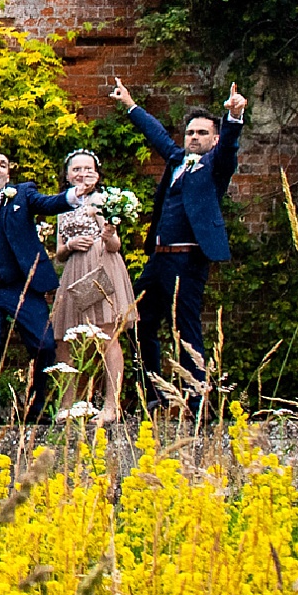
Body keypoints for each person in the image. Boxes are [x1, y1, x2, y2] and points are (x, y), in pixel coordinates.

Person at [112, 79, 247, 410]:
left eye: (202, 133)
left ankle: (197, 400)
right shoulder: (175, 160)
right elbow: (157, 135)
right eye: (190, 133)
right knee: (138, 322)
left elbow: (229, 149)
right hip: (159, 259)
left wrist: (234, 117)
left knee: (187, 329)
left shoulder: (215, 166)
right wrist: (131, 104)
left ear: (213, 139)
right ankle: (155, 392)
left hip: (189, 260)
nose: (194, 138)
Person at [0, 152, 77, 422]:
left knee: (44, 345)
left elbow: (50, 204)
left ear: (7, 177)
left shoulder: (22, 196)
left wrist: (73, 196)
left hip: (23, 286)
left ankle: (38, 406)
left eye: (3, 166)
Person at [48, 149, 136, 424]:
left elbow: (115, 245)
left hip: (99, 266)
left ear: (97, 175)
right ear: (67, 175)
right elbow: (59, 253)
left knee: (106, 334)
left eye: (88, 170)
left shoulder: (103, 201)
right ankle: (67, 403)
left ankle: (111, 405)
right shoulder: (63, 205)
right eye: (76, 170)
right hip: (74, 270)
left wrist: (107, 234)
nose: (82, 174)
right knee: (63, 338)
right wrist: (70, 246)